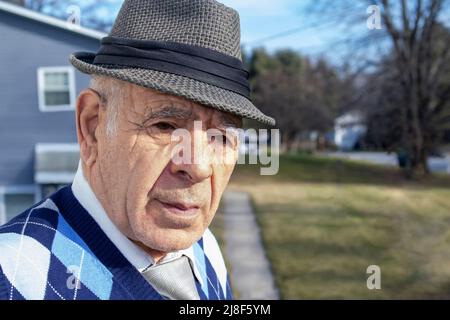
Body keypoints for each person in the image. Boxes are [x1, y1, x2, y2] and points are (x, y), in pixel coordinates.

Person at [0, 0, 274, 300]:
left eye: (221, 137)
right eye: (166, 126)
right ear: (93, 126)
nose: (198, 166)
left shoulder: (205, 250)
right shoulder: (13, 278)